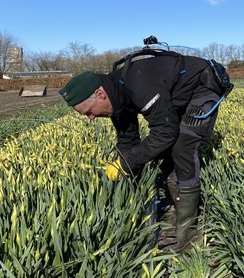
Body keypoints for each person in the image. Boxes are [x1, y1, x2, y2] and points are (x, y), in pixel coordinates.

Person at [59, 50, 231, 251]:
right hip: (175, 94)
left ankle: (188, 234)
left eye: (89, 112)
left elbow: (165, 133)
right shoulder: (116, 96)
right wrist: (125, 171)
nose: (91, 118)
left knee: (182, 146)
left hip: (203, 85)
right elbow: (128, 140)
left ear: (100, 94)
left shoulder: (139, 85)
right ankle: (179, 212)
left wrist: (126, 164)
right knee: (164, 150)